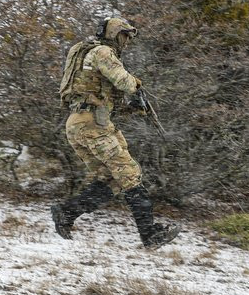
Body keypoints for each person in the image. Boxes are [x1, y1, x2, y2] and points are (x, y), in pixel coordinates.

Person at [51, 16, 180, 249]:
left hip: (80, 123)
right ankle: (149, 234)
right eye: (124, 36)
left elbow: (99, 94)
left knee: (111, 180)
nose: (127, 42)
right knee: (130, 174)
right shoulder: (102, 53)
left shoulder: (83, 52)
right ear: (113, 34)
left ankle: (66, 213)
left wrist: (132, 107)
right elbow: (125, 82)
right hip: (93, 126)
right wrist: (137, 87)